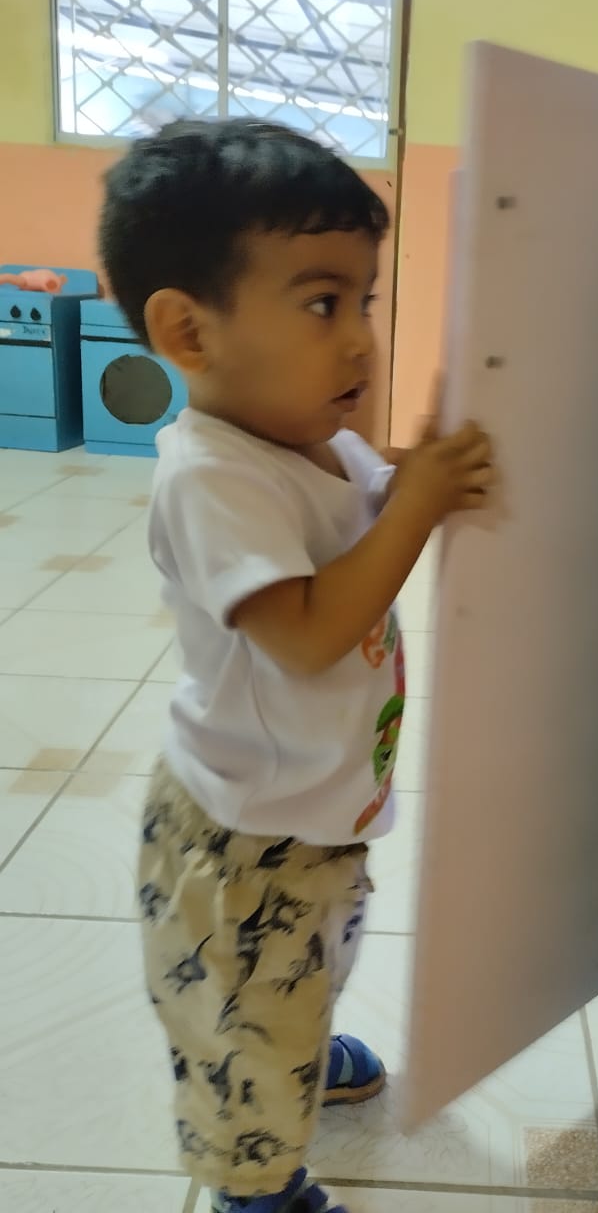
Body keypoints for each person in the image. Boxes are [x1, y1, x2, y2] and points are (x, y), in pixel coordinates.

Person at [98, 118, 493, 1213]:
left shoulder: (321, 446)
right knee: (239, 1023)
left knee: (310, 956)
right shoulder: (212, 478)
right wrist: (415, 506)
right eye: (323, 304)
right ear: (188, 331)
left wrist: (420, 471)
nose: (361, 340)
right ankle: (256, 1185)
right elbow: (309, 630)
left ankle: (298, 1033)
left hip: (311, 810)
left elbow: (370, 506)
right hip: (242, 843)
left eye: (366, 300)